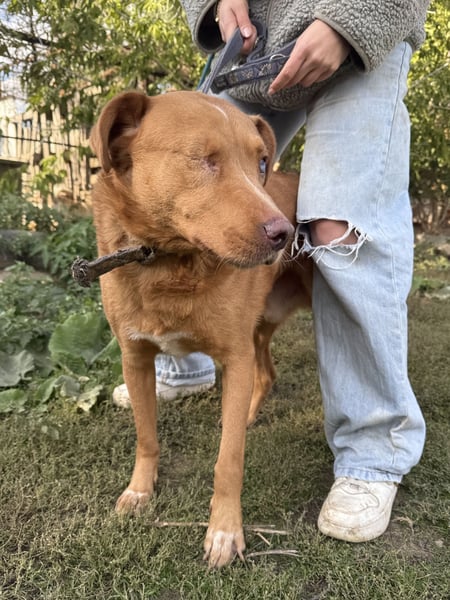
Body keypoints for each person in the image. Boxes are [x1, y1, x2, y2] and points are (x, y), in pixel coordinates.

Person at [114, 0, 429, 543]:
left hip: (360, 32)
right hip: (253, 39)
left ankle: (372, 450)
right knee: (188, 175)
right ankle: (184, 363)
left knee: (337, 229)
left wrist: (349, 24)